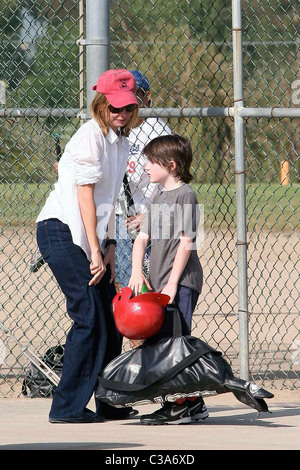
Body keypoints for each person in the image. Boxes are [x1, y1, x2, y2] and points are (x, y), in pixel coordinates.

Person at [35, 69, 139, 423]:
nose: (122, 114)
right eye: (115, 108)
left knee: (110, 317)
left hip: (92, 237)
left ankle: (108, 401)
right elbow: (84, 197)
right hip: (62, 231)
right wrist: (94, 249)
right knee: (89, 316)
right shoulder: (89, 138)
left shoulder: (119, 140)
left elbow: (107, 199)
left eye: (128, 108)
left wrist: (109, 245)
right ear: (100, 104)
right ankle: (66, 408)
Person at [128, 134, 208, 425]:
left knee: (174, 344)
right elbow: (142, 239)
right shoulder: (158, 196)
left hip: (180, 283)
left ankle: (180, 406)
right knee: (162, 343)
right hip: (158, 285)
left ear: (171, 165)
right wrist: (137, 272)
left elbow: (187, 242)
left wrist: (173, 283)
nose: (146, 166)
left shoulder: (185, 195)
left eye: (151, 161)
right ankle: (192, 402)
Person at [115, 70, 172, 289]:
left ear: (147, 96)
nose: (130, 100)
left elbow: (169, 183)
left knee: (145, 280)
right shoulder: (118, 125)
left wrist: (149, 215)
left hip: (144, 215)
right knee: (122, 276)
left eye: (135, 93)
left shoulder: (156, 131)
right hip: (118, 210)